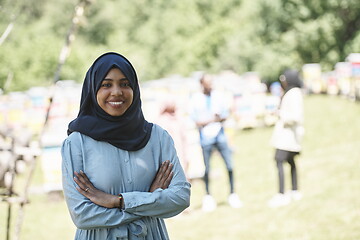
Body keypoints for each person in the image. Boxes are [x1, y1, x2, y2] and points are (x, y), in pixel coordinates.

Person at [61, 52, 191, 239]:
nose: (116, 92)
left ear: (134, 88)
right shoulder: (77, 143)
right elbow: (82, 215)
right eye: (106, 84)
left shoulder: (158, 138)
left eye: (124, 84)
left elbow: (180, 198)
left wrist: (118, 201)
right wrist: (149, 201)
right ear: (93, 89)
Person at [190, 74, 242, 212]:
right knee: (207, 169)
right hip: (205, 137)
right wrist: (211, 119)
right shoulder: (196, 99)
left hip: (220, 134)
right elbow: (195, 120)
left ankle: (232, 194)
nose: (211, 85)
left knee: (230, 165)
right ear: (202, 84)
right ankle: (208, 196)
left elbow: (225, 114)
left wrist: (215, 119)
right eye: (208, 83)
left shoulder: (218, 96)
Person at [268, 69, 304, 208]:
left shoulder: (294, 93)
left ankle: (282, 194)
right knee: (290, 161)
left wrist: (280, 113)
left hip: (288, 135)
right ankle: (294, 190)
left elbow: (295, 116)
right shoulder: (291, 92)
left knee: (279, 160)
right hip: (288, 135)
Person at [155, 96, 190, 180]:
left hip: (180, 154)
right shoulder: (160, 121)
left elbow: (184, 139)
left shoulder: (178, 119)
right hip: (167, 157)